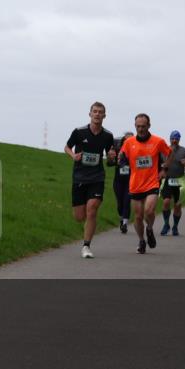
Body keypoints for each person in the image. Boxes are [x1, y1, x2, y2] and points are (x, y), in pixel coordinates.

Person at [64, 102, 117, 258]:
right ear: (90, 114)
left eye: (100, 112)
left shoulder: (108, 136)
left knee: (92, 209)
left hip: (97, 177)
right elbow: (67, 147)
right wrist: (74, 156)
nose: (97, 114)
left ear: (104, 116)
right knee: (80, 217)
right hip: (79, 177)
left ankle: (86, 246)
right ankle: (88, 222)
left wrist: (112, 157)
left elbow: (109, 160)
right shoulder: (79, 132)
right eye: (95, 111)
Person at [119, 113, 171, 254]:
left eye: (143, 126)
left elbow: (169, 154)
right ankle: (141, 240)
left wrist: (164, 170)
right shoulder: (129, 142)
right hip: (135, 184)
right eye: (138, 126)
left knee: (149, 211)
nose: (140, 129)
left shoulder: (158, 141)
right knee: (138, 216)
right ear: (135, 126)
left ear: (149, 126)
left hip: (152, 183)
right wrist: (122, 162)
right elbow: (122, 157)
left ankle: (149, 229)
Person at [160, 130, 185, 236]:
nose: (174, 141)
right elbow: (158, 164)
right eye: (172, 139)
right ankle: (166, 224)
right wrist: (162, 166)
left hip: (179, 180)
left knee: (177, 205)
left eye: (176, 139)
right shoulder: (164, 150)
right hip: (168, 179)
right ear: (170, 139)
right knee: (166, 202)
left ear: (179, 139)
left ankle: (175, 227)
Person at [113, 132, 134, 233]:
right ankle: (122, 218)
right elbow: (109, 163)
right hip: (118, 180)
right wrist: (113, 159)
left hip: (130, 181)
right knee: (120, 204)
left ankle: (125, 223)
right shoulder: (118, 150)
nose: (128, 142)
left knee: (127, 202)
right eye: (127, 140)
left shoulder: (136, 150)